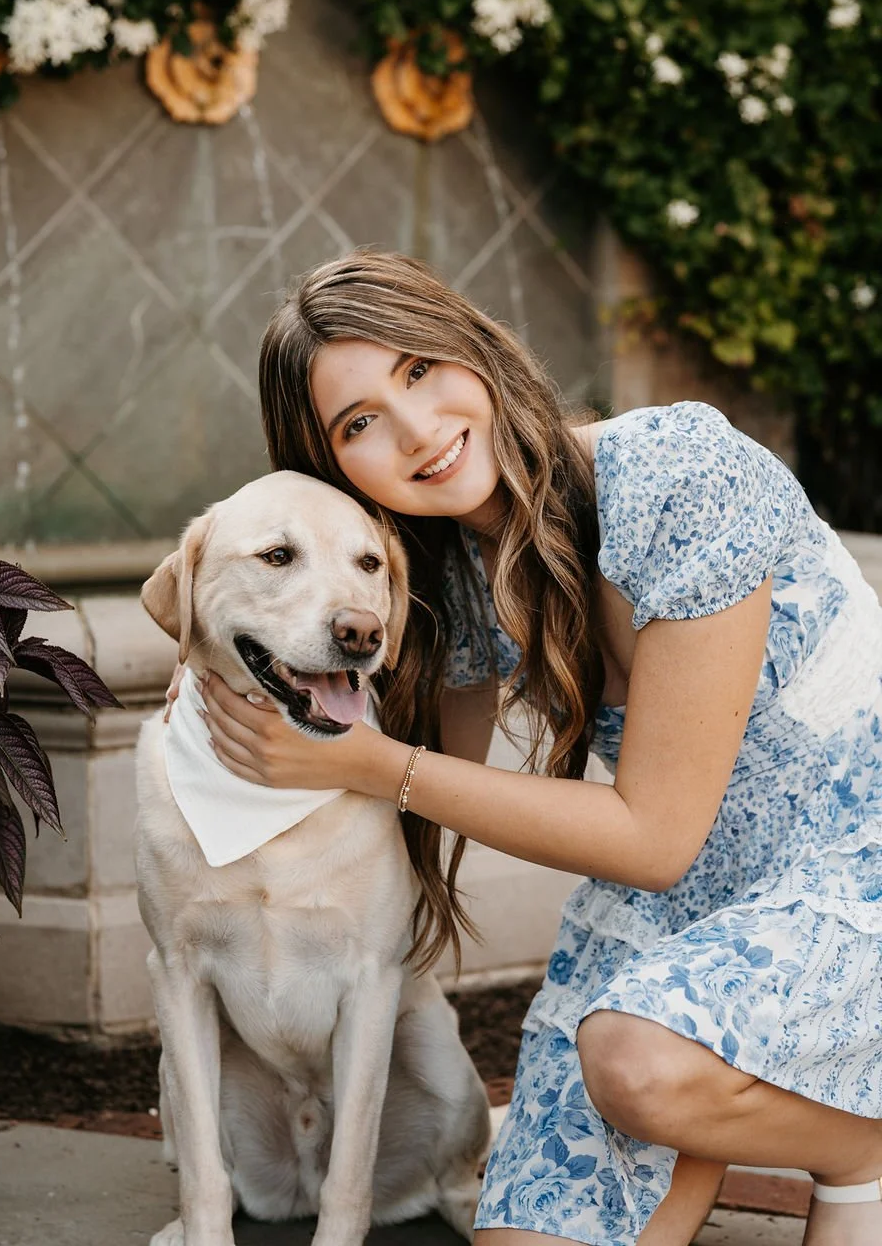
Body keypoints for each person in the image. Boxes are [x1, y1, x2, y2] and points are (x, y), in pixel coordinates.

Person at [167, 250, 882, 1246]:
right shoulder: (449, 579)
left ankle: (857, 1150)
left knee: (636, 1062)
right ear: (335, 473)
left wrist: (366, 763)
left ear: (476, 348)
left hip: (850, 870)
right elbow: (423, 783)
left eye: (420, 369)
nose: (416, 430)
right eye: (359, 424)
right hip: (680, 922)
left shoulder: (679, 473)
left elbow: (650, 838)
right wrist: (240, 663)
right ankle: (711, 1104)